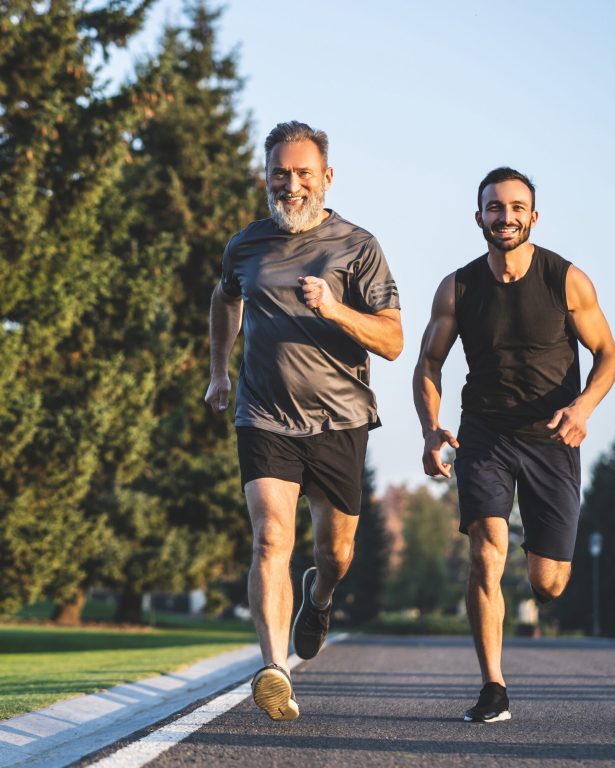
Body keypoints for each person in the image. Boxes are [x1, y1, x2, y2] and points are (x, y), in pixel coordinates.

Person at [205, 121, 402, 721]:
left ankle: (319, 595)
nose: (291, 185)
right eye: (280, 174)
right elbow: (225, 298)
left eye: (303, 174)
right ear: (266, 178)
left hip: (340, 420)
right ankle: (275, 669)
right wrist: (219, 371)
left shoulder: (358, 246)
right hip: (264, 415)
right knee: (270, 538)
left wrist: (335, 309)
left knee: (336, 551)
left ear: (327, 177)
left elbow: (392, 341)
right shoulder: (245, 246)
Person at [413, 167, 615, 723]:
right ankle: (493, 687)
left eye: (516, 208)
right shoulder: (458, 287)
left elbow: (608, 354)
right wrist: (432, 428)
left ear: (534, 216)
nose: (505, 217)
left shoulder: (566, 280)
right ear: (479, 216)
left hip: (552, 435)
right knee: (486, 550)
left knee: (549, 584)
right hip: (485, 433)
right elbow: (429, 363)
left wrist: (582, 408)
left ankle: (539, 559)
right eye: (495, 208)